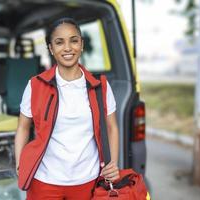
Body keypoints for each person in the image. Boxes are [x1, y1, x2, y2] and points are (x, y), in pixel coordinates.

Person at [14, 17, 120, 200]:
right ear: (51, 49)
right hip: (44, 181)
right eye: (59, 42)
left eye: (74, 40)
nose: (68, 48)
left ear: (82, 44)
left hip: (88, 180)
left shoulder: (100, 85)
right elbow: (23, 127)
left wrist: (113, 163)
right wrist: (19, 164)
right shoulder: (35, 85)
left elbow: (112, 127)